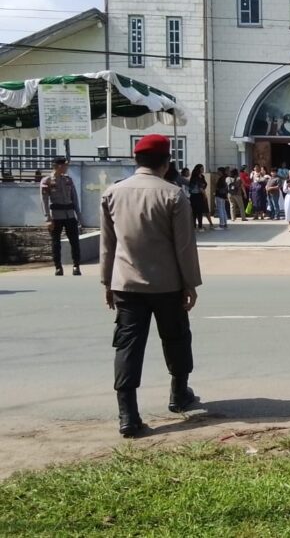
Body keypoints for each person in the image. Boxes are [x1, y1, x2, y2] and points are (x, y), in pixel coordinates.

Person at [100, 134, 202, 437]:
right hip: (167, 284)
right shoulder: (173, 195)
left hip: (127, 284)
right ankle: (178, 394)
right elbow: (185, 246)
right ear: (166, 162)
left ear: (136, 161)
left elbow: (108, 245)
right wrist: (190, 284)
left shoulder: (113, 193)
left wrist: (107, 281)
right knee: (177, 338)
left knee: (128, 345)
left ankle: (128, 415)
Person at [40, 156, 82, 276]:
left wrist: (78, 215)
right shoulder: (47, 181)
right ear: (59, 166)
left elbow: (74, 198)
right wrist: (47, 218)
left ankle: (76, 266)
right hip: (56, 216)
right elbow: (44, 200)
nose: (67, 167)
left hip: (69, 215)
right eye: (65, 165)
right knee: (56, 243)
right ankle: (58, 267)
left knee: (74, 241)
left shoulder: (68, 180)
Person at [188, 164, 214, 231]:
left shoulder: (202, 176)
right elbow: (201, 188)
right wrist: (204, 196)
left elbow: (204, 185)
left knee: (199, 212)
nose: (203, 169)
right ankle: (197, 226)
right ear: (198, 169)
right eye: (202, 168)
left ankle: (199, 225)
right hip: (196, 195)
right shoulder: (196, 177)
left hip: (199, 195)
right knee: (195, 212)